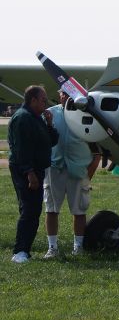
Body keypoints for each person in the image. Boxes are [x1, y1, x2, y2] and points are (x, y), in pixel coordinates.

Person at [43, 90, 101, 258]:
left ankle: (78, 247)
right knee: (51, 209)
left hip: (78, 169)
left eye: (70, 94)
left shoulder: (87, 115)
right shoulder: (50, 114)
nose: (66, 97)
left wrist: (89, 172)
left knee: (79, 210)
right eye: (63, 93)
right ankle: (52, 248)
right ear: (59, 95)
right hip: (54, 168)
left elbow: (96, 148)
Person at [8, 85, 59, 263]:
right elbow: (21, 150)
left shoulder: (36, 118)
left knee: (33, 209)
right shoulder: (23, 118)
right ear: (33, 100)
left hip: (36, 169)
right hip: (26, 170)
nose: (46, 103)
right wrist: (30, 173)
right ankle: (20, 251)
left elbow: (52, 141)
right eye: (43, 100)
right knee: (29, 210)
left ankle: (25, 250)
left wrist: (50, 123)